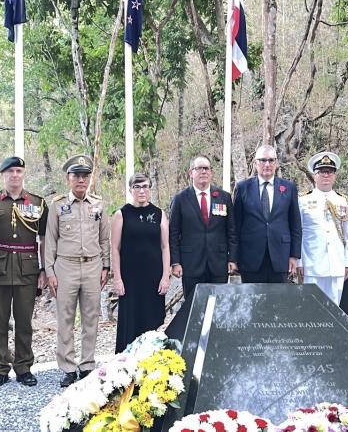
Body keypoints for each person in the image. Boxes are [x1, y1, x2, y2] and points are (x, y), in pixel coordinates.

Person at [0, 156, 49, 389]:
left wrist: (44, 270)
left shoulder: (38, 203)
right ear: (3, 176)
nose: (15, 175)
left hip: (28, 270)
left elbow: (44, 239)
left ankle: (24, 367)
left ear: (23, 174)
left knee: (24, 321)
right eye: (10, 172)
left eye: (19, 171)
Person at [44, 155, 110, 387]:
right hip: (66, 266)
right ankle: (68, 367)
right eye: (76, 175)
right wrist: (50, 271)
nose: (81, 180)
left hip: (92, 265)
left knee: (91, 317)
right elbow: (50, 240)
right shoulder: (57, 205)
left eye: (85, 176)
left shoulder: (99, 204)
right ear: (68, 178)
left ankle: (88, 364)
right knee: (66, 318)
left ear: (89, 179)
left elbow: (104, 238)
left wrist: (106, 266)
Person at [111, 173, 171, 352]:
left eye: (145, 186)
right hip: (130, 279)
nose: (141, 190)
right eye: (137, 187)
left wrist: (165, 277)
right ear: (130, 190)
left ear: (150, 189)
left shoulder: (159, 214)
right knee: (131, 321)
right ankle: (126, 362)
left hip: (153, 278)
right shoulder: (122, 214)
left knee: (151, 320)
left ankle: (150, 361)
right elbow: (115, 248)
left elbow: (165, 247)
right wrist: (117, 279)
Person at [169, 156, 238, 300]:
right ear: (190, 173)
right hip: (191, 264)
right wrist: (175, 262)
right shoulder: (180, 199)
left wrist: (232, 258)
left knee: (218, 307)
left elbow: (232, 231)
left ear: (211, 172)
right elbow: (173, 234)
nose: (203, 172)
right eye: (199, 168)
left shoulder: (224, 197)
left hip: (218, 263)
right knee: (193, 307)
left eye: (206, 168)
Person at [233, 145, 302, 283]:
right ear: (255, 163)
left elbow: (295, 224)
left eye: (271, 160)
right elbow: (235, 226)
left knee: (278, 302)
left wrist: (294, 256)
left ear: (276, 163)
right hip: (250, 258)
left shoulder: (289, 188)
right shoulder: (242, 188)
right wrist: (234, 257)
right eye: (263, 160)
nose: (267, 164)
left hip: (280, 257)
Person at [297, 152, 348, 304]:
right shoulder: (303, 200)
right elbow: (299, 234)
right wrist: (299, 263)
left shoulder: (342, 201)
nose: (326, 175)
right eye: (322, 172)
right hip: (312, 264)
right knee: (312, 309)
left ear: (335, 176)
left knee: (334, 308)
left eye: (329, 172)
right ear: (314, 175)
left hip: (336, 264)